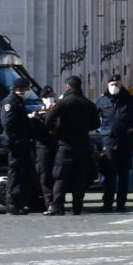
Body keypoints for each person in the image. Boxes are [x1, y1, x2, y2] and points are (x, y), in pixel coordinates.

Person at [45, 76, 100, 216]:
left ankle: (57, 206)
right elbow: (96, 124)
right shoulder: (88, 103)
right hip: (83, 144)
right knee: (80, 177)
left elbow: (49, 117)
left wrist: (53, 130)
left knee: (60, 176)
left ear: (68, 86)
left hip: (65, 144)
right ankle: (77, 207)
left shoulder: (64, 102)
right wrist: (84, 128)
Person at [0, 79, 46, 215]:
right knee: (15, 173)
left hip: (23, 142)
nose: (28, 91)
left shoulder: (18, 101)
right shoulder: (10, 102)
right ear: (18, 88)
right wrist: (16, 139)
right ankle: (12, 204)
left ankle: (20, 201)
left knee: (28, 172)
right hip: (16, 144)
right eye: (26, 88)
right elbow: (7, 123)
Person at [97, 75, 133, 212]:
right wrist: (101, 130)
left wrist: (131, 127)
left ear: (121, 85)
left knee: (124, 174)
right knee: (109, 174)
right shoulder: (102, 100)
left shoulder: (130, 99)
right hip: (109, 141)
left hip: (126, 141)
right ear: (107, 85)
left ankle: (121, 203)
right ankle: (107, 203)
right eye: (112, 84)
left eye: (116, 84)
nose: (114, 86)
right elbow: (93, 117)